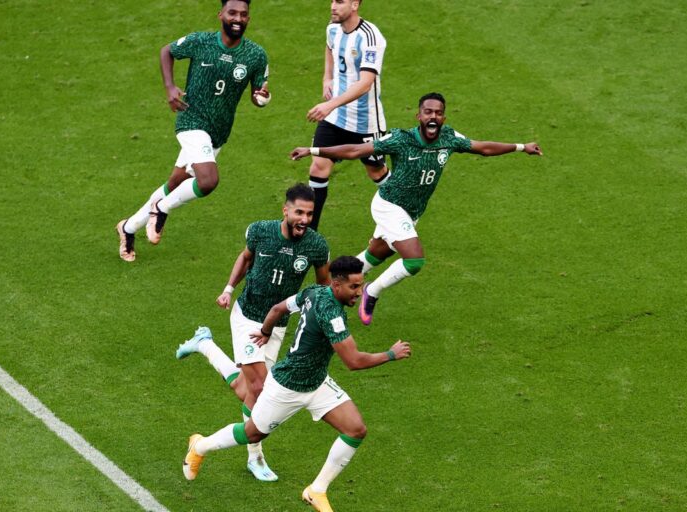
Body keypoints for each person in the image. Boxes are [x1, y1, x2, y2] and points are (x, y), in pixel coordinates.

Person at [291, 92, 543, 325]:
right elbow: (356, 149)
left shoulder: (449, 138)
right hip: (389, 206)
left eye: (438, 112)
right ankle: (371, 291)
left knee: (376, 254)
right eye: (428, 112)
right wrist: (313, 150)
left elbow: (484, 148)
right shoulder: (401, 139)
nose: (433, 116)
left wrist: (521, 147)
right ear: (419, 116)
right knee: (414, 260)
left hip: (412, 214)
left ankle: (324, 294)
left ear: (443, 117)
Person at [182, 256, 410, 512]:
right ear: (336, 285)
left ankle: (317, 490)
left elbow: (279, 308)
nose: (359, 292)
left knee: (355, 429)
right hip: (288, 386)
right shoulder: (331, 313)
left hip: (316, 382)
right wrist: (390, 354)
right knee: (252, 433)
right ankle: (199, 445)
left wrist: (266, 331)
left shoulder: (314, 291)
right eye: (354, 287)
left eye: (361, 285)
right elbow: (353, 361)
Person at [175, 183, 330, 481]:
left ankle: (204, 344)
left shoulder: (316, 246)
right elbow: (245, 258)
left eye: (309, 214)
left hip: (278, 325)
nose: (304, 219)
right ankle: (255, 458)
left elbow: (322, 285)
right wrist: (228, 289)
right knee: (259, 390)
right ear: (285, 210)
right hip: (247, 318)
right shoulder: (260, 231)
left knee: (247, 391)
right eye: (299, 212)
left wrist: (320, 317)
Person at [116, 0, 270, 261]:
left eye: (244, 14)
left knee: (177, 182)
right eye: (232, 12)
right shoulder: (201, 42)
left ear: (248, 19)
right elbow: (167, 51)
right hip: (191, 121)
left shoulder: (256, 55)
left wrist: (262, 97)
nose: (238, 18)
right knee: (208, 181)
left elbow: (259, 95)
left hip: (218, 132)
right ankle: (161, 209)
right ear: (221, 14)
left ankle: (128, 228)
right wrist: (170, 88)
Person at [304, 0, 389, 230]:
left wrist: (330, 105)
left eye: (339, 1)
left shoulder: (371, 37)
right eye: (332, 1)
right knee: (318, 167)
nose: (332, 6)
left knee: (376, 171)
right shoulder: (332, 28)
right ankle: (310, 234)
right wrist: (327, 77)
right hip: (335, 118)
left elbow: (365, 84)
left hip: (366, 123)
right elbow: (329, 47)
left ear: (354, 4)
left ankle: (404, 211)